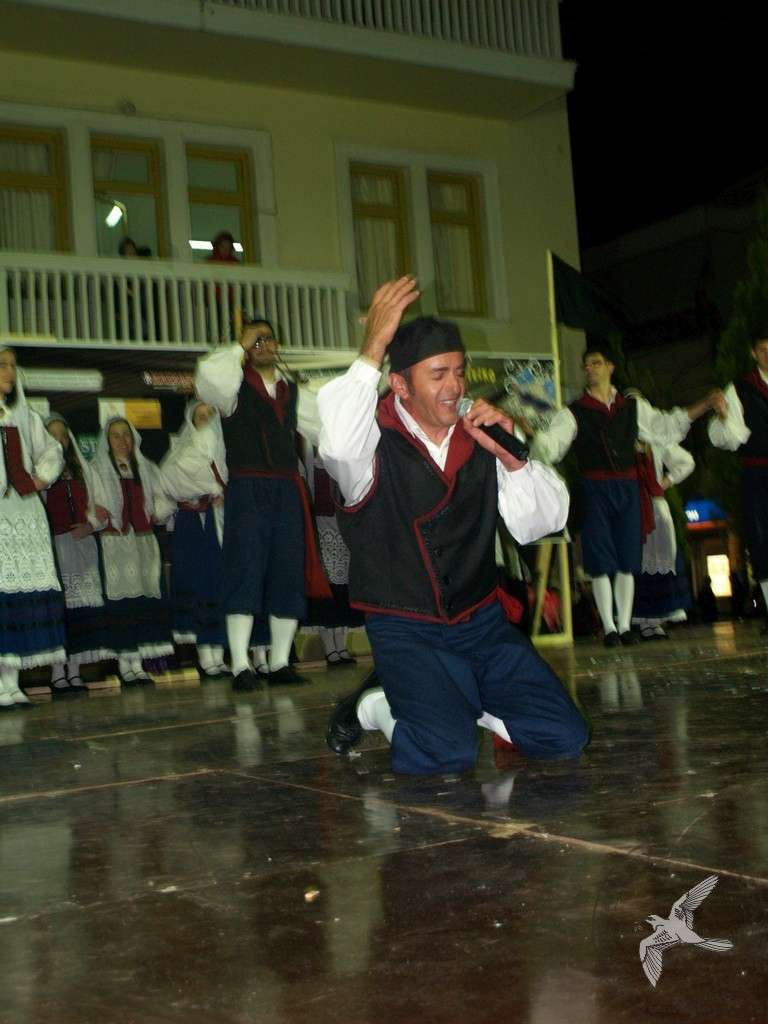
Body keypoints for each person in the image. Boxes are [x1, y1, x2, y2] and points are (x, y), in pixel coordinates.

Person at [319, 277, 588, 775]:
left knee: (565, 736)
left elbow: (542, 522)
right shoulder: (369, 442)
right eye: (438, 374)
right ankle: (376, 704)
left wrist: (512, 458)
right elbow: (334, 445)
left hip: (480, 624)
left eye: (459, 372)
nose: (456, 386)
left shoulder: (481, 437)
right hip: (406, 628)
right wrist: (373, 346)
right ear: (400, 385)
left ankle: (457, 704)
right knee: (446, 754)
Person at [531, 345, 719, 647]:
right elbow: (551, 446)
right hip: (595, 489)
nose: (589, 369)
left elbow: (665, 427)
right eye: (586, 365)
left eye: (596, 363)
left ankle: (624, 625)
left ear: (610, 367)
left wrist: (704, 405)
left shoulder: (633, 408)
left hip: (629, 489)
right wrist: (534, 442)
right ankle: (609, 628)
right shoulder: (573, 411)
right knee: (600, 560)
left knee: (627, 559)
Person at [195, 315, 330, 692]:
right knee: (244, 570)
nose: (262, 345)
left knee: (288, 572)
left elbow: (328, 424)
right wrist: (241, 344)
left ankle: (280, 662)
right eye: (255, 341)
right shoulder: (232, 389)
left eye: (267, 339)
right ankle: (240, 665)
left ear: (277, 345)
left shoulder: (292, 392)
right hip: (248, 488)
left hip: (286, 489)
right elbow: (207, 376)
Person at [0, 348, 66, 708]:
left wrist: (40, 478)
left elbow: (52, 451)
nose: (10, 372)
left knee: (16, 599)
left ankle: (11, 683)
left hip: (23, 513)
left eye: (12, 366)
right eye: (2, 365)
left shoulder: (23, 416)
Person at [92, 417, 175, 685]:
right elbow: (92, 504)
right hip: (115, 545)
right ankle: (124, 664)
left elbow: (164, 498)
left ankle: (138, 663)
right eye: (115, 435)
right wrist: (98, 516)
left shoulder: (147, 468)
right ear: (107, 441)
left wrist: (156, 514)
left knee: (143, 600)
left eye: (126, 435)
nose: (122, 441)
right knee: (122, 604)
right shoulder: (97, 470)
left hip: (143, 544)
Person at [160, 400, 229, 679]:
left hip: (217, 523)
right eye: (200, 417)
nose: (205, 421)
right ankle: (204, 655)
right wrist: (208, 489)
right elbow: (169, 480)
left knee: (217, 584)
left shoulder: (223, 452)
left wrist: (221, 493)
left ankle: (218, 653)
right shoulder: (182, 452)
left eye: (209, 416)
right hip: (191, 526)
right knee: (197, 584)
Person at [44, 414, 112, 694]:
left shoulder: (84, 469)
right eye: (53, 435)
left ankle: (74, 671)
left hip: (83, 546)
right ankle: (57, 673)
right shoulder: (40, 470)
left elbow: (104, 507)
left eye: (63, 434)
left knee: (80, 612)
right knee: (59, 610)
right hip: (55, 547)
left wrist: (90, 525)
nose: (59, 440)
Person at [708, 329, 768, 632]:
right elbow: (731, 437)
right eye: (763, 349)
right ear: (753, 353)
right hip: (757, 473)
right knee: (761, 539)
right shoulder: (741, 388)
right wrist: (722, 415)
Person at [303, 442, 365, 667]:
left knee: (343, 589)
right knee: (327, 589)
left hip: (342, 527)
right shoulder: (310, 462)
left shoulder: (340, 463)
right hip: (320, 528)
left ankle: (341, 645)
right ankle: (330, 647)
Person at [631, 437, 694, 639]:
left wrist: (662, 484)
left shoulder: (657, 439)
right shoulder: (624, 438)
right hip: (634, 507)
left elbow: (686, 462)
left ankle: (655, 621)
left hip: (655, 508)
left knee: (659, 561)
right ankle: (645, 622)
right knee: (638, 565)